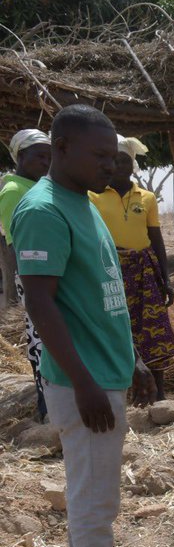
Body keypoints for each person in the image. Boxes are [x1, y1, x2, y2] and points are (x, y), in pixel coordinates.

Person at [13, 104, 174, 547]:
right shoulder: (44, 211)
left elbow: (101, 296)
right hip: (81, 379)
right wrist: (82, 381)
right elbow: (41, 304)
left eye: (114, 155)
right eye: (99, 155)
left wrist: (134, 360)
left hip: (104, 370)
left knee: (94, 488)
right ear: (61, 149)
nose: (111, 165)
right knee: (93, 495)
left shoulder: (82, 201)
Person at [89, 135, 174, 401]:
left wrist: (166, 278)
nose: (119, 165)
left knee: (154, 328)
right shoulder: (92, 196)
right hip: (109, 269)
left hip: (144, 270)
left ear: (133, 165)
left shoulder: (147, 198)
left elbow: (157, 240)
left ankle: (158, 391)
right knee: (117, 329)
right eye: (115, 160)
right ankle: (125, 392)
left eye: (125, 160)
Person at [0, 129, 52, 420]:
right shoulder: (13, 191)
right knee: (43, 342)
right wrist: (31, 289)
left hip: (47, 276)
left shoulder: (37, 186)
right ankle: (48, 409)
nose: (46, 162)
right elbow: (14, 246)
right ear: (21, 157)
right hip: (34, 280)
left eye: (49, 156)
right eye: (39, 156)